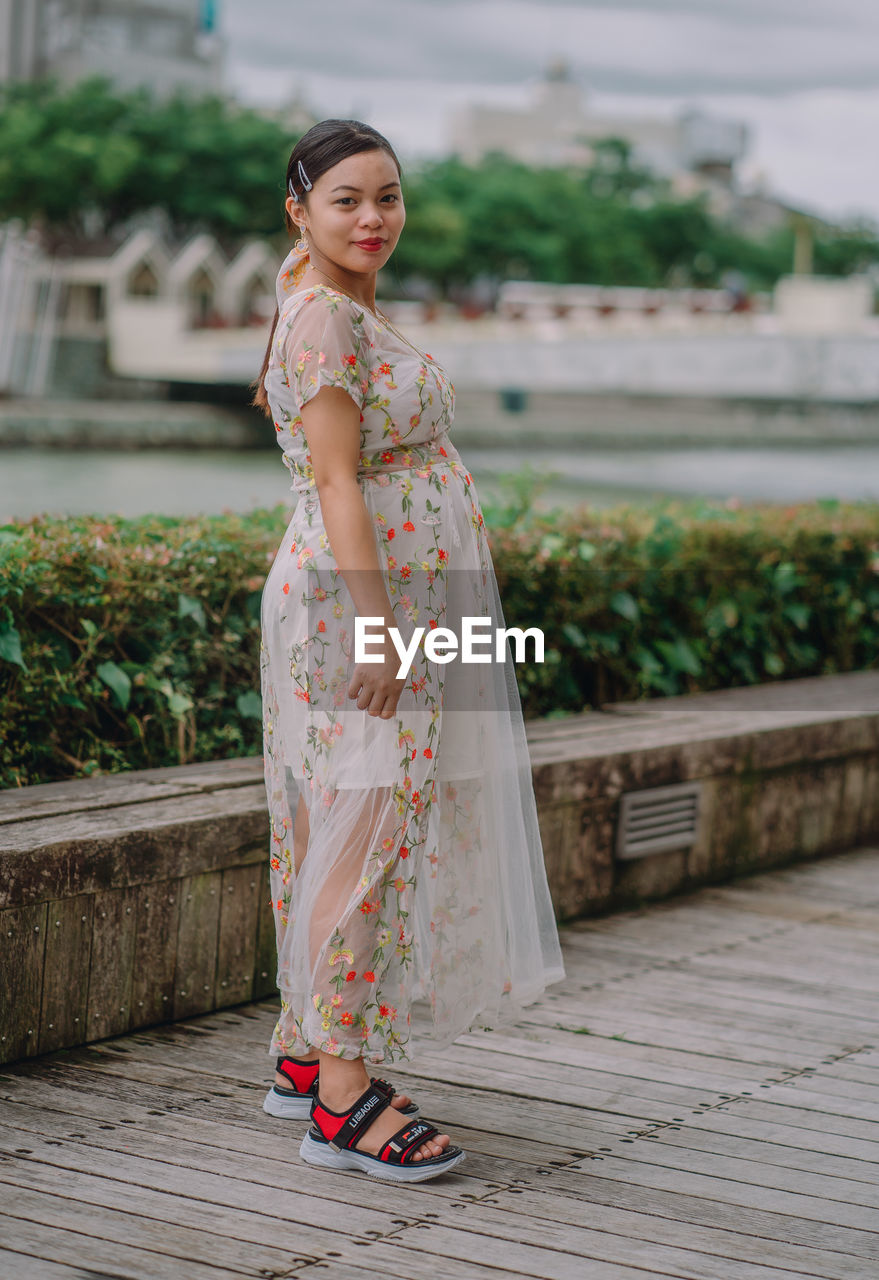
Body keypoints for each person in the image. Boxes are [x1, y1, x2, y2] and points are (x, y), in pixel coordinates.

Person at [253, 119, 565, 1183]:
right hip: (359, 607)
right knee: (365, 831)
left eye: (388, 195)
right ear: (300, 208)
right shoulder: (321, 320)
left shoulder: (340, 305)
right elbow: (338, 481)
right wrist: (380, 626)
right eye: (347, 198)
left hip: (398, 602)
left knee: (340, 821)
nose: (373, 216)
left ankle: (307, 1050)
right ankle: (341, 1098)